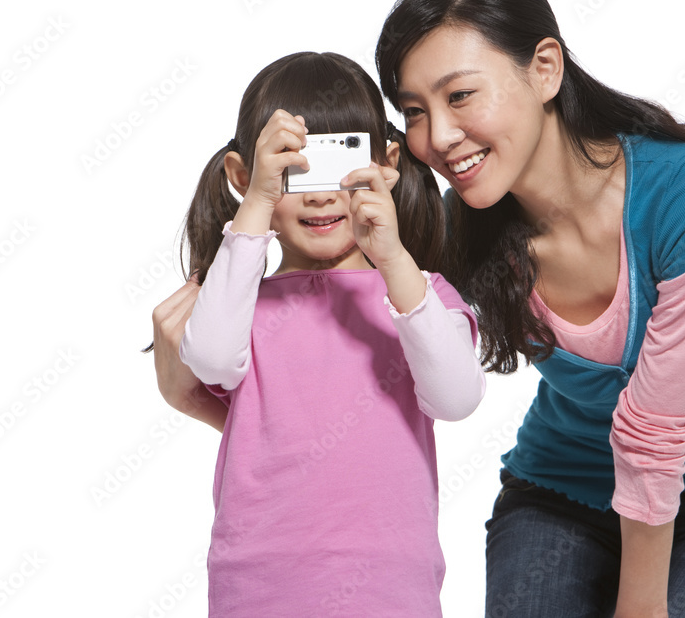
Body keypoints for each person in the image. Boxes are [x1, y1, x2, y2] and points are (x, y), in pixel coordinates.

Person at [375, 0, 685, 618]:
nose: (437, 137)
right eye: (414, 112)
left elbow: (652, 431)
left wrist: (638, 607)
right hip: (563, 488)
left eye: (459, 95)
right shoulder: (461, 231)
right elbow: (392, 380)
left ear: (545, 68)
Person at [153, 51, 485, 617]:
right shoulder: (238, 305)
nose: (321, 194)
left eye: (341, 162)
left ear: (386, 162)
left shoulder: (419, 294)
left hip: (391, 590)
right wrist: (257, 202)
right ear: (243, 176)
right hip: (257, 589)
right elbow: (209, 360)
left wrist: (394, 260)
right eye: (295, 169)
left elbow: (456, 398)